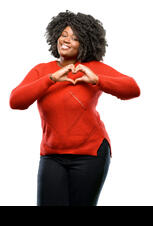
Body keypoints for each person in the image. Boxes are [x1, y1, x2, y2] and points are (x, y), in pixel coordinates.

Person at [9, 10, 140, 206]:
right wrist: (51, 79)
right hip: (52, 156)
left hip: (91, 155)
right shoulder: (42, 70)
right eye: (63, 35)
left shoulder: (93, 68)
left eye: (75, 38)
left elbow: (133, 89)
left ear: (85, 43)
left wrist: (97, 80)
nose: (67, 40)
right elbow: (16, 101)